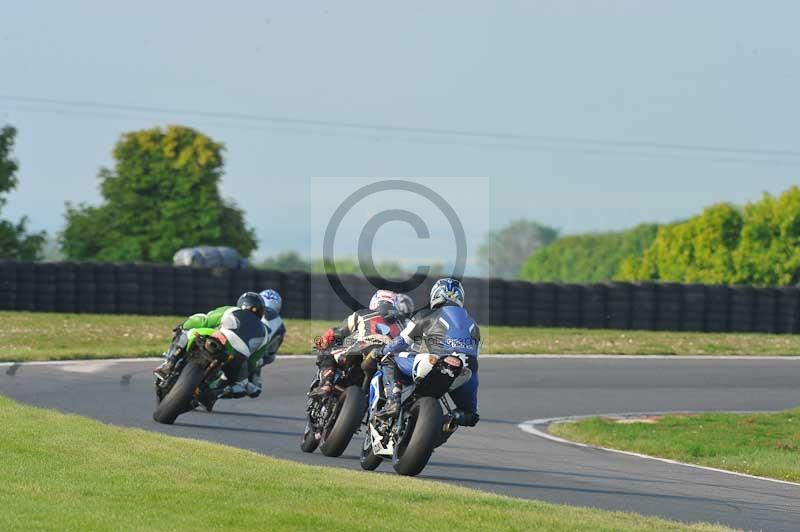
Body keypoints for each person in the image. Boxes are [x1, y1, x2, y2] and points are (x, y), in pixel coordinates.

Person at [378, 278, 481, 426]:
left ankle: (393, 400)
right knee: (470, 415)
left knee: (390, 358)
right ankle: (448, 422)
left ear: (436, 295)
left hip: (436, 362)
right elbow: (475, 355)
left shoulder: (426, 315)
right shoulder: (474, 324)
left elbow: (401, 342)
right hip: (467, 371)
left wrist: (382, 350)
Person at [153, 292, 270, 402]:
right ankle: (214, 393)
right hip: (236, 357)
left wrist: (183, 325)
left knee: (187, 330)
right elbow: (253, 362)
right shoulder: (265, 333)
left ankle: (170, 362)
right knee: (239, 384)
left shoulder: (230, 310)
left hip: (217, 339)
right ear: (261, 311)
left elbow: (206, 320)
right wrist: (241, 376)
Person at [311, 289, 401, 396]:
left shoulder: (362, 314)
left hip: (361, 348)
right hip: (388, 355)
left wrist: (324, 340)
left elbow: (339, 331)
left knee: (327, 353)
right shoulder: (401, 324)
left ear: (375, 302)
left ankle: (326, 384)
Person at [249, 289, 286, 395]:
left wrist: (266, 356)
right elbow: (272, 353)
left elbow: (271, 352)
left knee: (255, 388)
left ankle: (252, 376)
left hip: (254, 350)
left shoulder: (278, 326)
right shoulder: (280, 326)